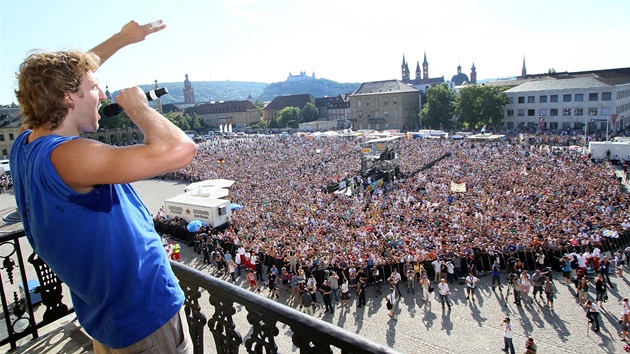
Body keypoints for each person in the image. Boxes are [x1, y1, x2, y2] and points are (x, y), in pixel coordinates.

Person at [9, 20, 196, 352]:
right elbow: (181, 150)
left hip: (103, 313)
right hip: (142, 314)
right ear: (69, 97)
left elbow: (70, 75)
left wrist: (122, 39)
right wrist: (138, 107)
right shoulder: (68, 154)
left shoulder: (25, 142)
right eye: (96, 87)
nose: (104, 94)